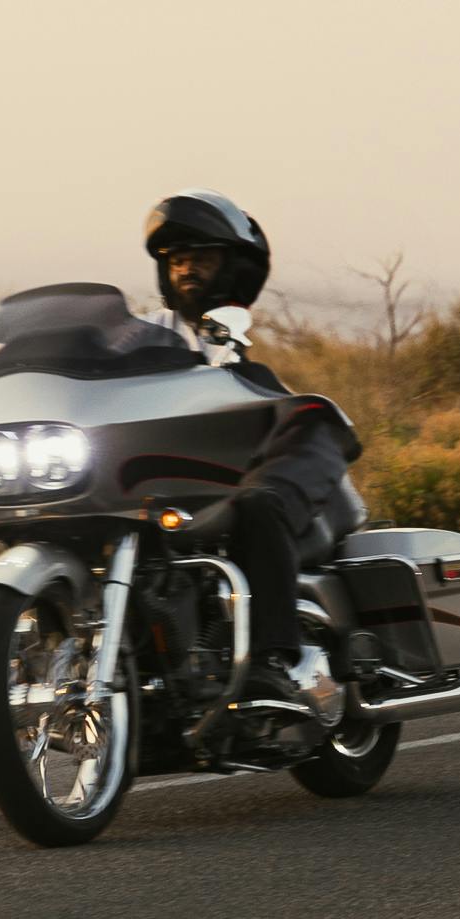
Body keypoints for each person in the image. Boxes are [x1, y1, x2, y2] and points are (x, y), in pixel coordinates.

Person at [142, 190, 362, 706]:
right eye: (177, 260)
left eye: (203, 258)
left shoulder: (227, 345)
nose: (188, 269)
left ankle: (270, 660)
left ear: (234, 270)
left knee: (259, 501)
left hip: (253, 477)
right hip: (163, 482)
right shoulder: (141, 336)